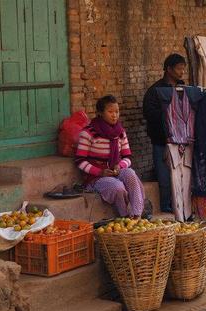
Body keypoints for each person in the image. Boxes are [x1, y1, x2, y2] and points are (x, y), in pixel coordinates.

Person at [75, 95, 145, 218]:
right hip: (96, 177)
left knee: (131, 174)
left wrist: (120, 166)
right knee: (117, 187)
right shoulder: (88, 133)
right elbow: (80, 161)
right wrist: (100, 172)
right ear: (100, 113)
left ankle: (136, 215)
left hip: (116, 170)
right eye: (110, 112)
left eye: (117, 112)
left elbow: (127, 157)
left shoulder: (120, 132)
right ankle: (125, 216)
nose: (115, 115)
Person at [143, 53, 187, 213]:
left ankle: (181, 203)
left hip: (181, 141)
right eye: (179, 69)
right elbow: (150, 115)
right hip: (161, 141)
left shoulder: (183, 88)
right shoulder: (154, 91)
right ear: (169, 69)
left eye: (183, 69)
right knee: (164, 177)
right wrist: (169, 115)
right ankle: (165, 205)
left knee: (181, 175)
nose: (182, 72)